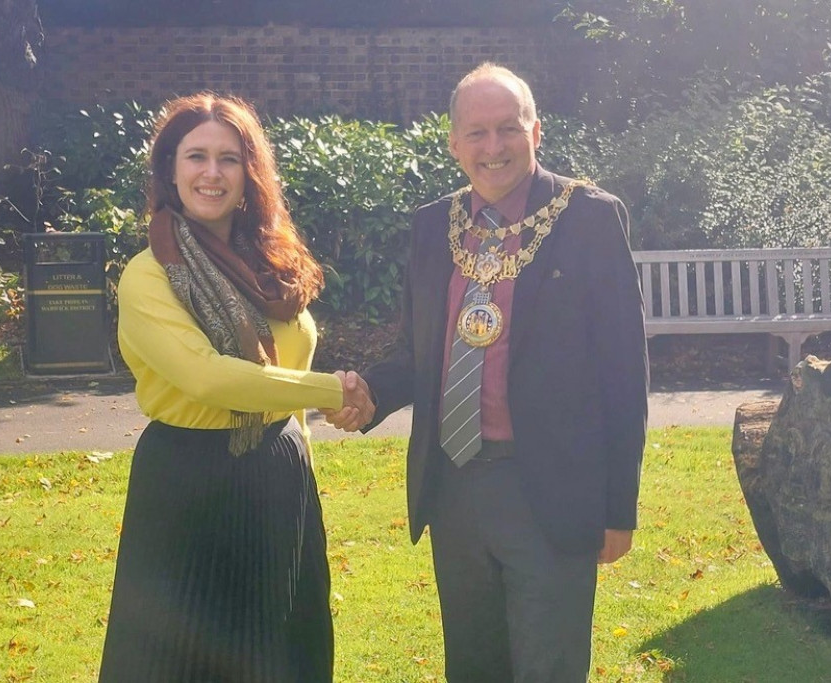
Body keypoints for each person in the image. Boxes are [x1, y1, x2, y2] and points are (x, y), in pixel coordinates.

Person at [332, 63, 649, 682]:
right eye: (476, 133)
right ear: (453, 144)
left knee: (548, 669)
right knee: (474, 669)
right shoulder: (432, 225)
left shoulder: (588, 217)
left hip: (549, 490)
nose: (493, 147)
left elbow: (623, 373)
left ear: (537, 131)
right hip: (454, 490)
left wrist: (619, 509)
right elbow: (419, 352)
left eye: (509, 128)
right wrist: (371, 392)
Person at [97, 92, 373, 683]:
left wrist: (300, 449)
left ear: (251, 173)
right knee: (181, 662)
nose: (212, 173)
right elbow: (209, 377)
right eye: (196, 156)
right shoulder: (148, 276)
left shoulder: (272, 264)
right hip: (189, 484)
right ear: (170, 170)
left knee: (280, 655)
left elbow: (284, 369)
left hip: (278, 475)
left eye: (229, 158)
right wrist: (331, 392)